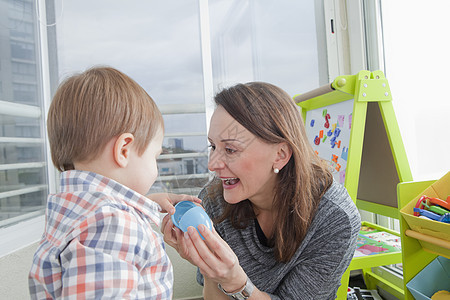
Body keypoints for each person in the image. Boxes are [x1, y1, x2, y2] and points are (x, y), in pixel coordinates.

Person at [162, 82, 361, 299]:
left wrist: (236, 282)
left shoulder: (334, 218)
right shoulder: (213, 201)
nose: (212, 164)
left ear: (280, 155)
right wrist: (209, 269)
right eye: (213, 146)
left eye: (230, 149)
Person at [28, 66, 198, 299]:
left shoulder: (73, 208)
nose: (156, 170)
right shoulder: (115, 225)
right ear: (124, 150)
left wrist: (142, 204)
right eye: (154, 156)